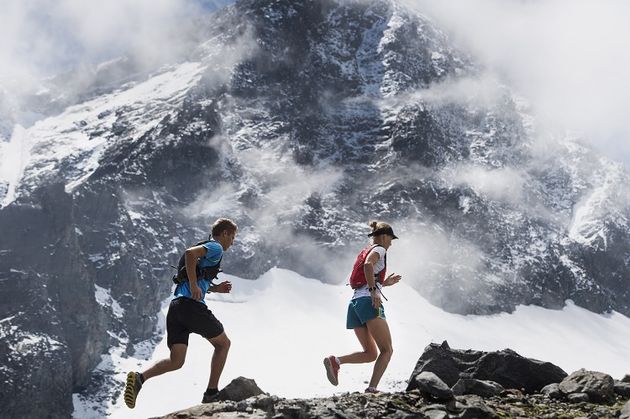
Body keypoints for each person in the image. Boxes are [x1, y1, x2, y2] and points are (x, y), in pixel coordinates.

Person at [124, 218, 237, 408]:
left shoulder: (207, 251)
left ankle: (139, 379)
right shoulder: (215, 247)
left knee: (176, 360)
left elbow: (196, 275)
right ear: (224, 233)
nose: (232, 242)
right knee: (223, 344)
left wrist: (215, 289)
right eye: (232, 237)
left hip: (176, 308)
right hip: (191, 306)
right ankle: (211, 393)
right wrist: (194, 285)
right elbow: (190, 254)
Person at [324, 221, 402, 393]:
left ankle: (335, 361)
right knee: (387, 350)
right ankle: (372, 389)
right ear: (383, 236)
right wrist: (375, 291)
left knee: (371, 354)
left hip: (355, 304)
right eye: (391, 238)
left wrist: (383, 284)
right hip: (368, 301)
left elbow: (367, 274)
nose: (391, 243)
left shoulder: (366, 250)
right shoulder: (379, 249)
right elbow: (368, 266)